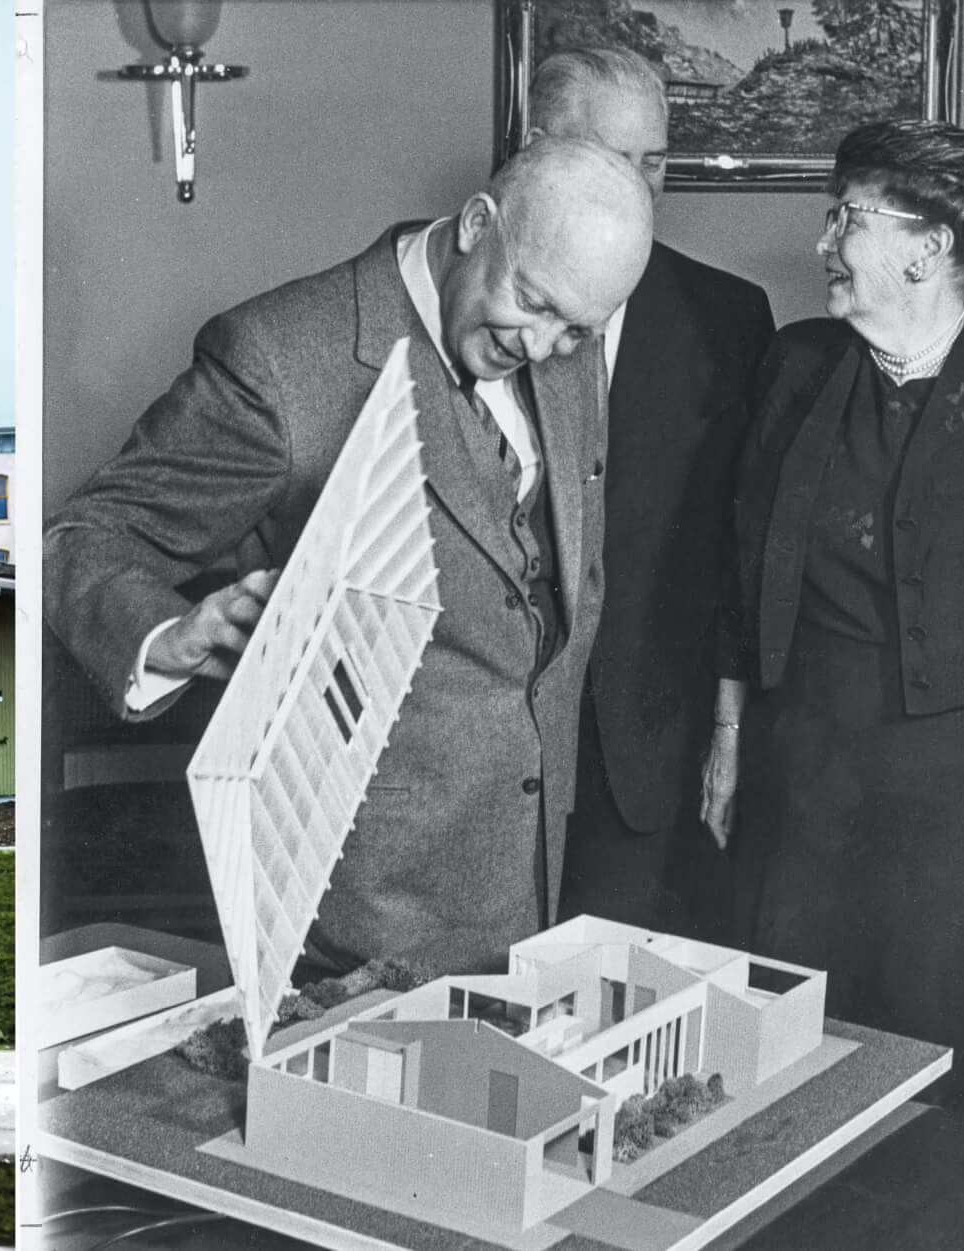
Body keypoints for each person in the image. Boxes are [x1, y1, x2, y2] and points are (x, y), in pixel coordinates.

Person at [44, 138, 653, 977]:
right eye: (535, 305)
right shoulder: (279, 362)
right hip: (355, 913)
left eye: (578, 330)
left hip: (531, 880)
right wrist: (165, 633)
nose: (547, 347)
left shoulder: (561, 341)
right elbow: (86, 535)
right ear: (477, 225)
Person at [702, 119, 964, 1117]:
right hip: (810, 778)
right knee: (790, 1058)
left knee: (946, 1059)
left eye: (847, 219)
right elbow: (739, 562)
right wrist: (730, 732)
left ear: (927, 247)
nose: (823, 242)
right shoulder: (794, 368)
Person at [518, 47, 776, 939]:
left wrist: (726, 731)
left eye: (655, 160)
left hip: (636, 753)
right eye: (612, 157)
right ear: (535, 149)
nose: (640, 184)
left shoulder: (727, 319)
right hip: (477, 749)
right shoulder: (468, 299)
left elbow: (735, 553)